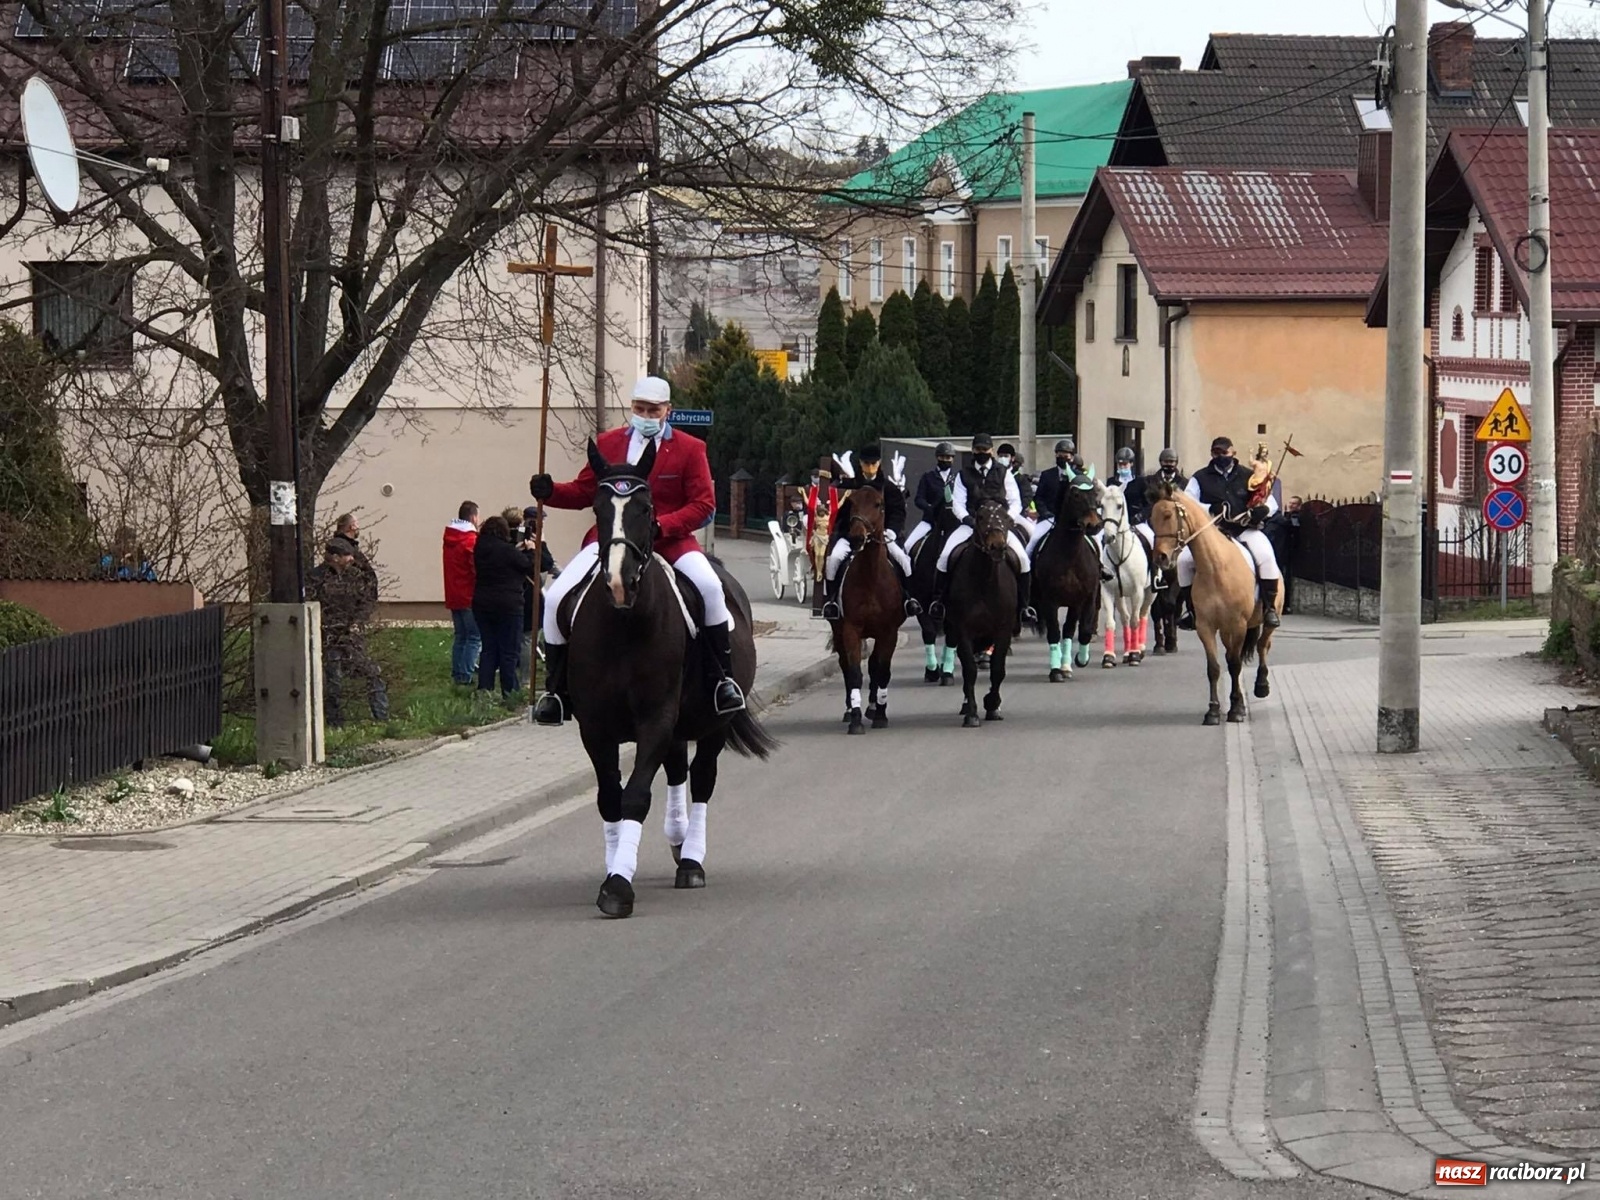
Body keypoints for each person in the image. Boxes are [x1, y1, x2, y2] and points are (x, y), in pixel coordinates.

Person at [529, 375, 745, 725]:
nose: (645, 415)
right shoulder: (608, 444)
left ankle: (722, 679)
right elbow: (585, 492)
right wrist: (550, 491)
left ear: (667, 411)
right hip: (613, 542)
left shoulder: (691, 449)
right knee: (554, 599)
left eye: (653, 410)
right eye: (639, 408)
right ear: (632, 407)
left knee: (710, 589)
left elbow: (704, 503)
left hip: (670, 540)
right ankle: (556, 691)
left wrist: (664, 525)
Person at [927, 433, 1037, 626]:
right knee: (945, 557)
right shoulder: (963, 475)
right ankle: (939, 602)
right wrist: (967, 519)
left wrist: (1007, 520)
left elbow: (1015, 501)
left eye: (985, 450)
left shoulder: (1004, 472)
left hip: (998, 527)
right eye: (978, 450)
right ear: (973, 451)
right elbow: (957, 503)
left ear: (991, 451)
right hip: (972, 525)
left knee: (1023, 559)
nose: (981, 453)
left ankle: (1024, 607)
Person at [1176, 436, 1282, 630]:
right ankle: (1191, 610)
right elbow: (1188, 502)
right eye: (1216, 453)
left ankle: (1269, 609)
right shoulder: (1199, 478)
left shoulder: (1249, 475)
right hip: (1214, 532)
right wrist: (1210, 509)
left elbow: (1270, 501)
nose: (1221, 456)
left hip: (1244, 530)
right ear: (1211, 454)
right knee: (1183, 561)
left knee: (1266, 557)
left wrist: (1263, 510)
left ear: (1233, 453)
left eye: (1224, 453)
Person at [821, 444, 919, 620]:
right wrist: (846, 532)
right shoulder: (850, 486)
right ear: (860, 463)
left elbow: (898, 511)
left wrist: (892, 531)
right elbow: (841, 514)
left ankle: (909, 599)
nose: (870, 467)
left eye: (874, 463)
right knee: (834, 559)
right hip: (851, 536)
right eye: (866, 463)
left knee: (904, 560)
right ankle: (832, 601)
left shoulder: (889, 488)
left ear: (879, 463)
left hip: (882, 536)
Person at [309, 537, 389, 727]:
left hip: (351, 638)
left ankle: (382, 718)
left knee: (372, 673)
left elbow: (366, 600)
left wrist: (357, 622)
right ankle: (335, 724)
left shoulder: (354, 576)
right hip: (329, 638)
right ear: (335, 557)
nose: (352, 559)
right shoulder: (315, 577)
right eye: (347, 556)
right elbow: (312, 607)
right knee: (333, 682)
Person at [472, 515, 534, 697]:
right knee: (509, 650)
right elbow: (527, 565)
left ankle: (485, 690)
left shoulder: (479, 548)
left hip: (482, 602)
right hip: (508, 604)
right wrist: (530, 550)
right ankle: (510, 691)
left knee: (489, 649)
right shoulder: (508, 551)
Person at [518, 504, 559, 683]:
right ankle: (526, 678)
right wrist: (538, 545)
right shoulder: (527, 538)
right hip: (528, 590)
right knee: (528, 637)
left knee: (526, 635)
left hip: (528, 588)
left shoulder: (522, 535)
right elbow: (546, 562)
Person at [442, 501, 481, 685]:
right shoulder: (470, 540)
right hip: (469, 594)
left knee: (460, 636)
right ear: (473, 517)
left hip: (453, 593)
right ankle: (465, 675)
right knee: (474, 637)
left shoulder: (449, 538)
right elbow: (475, 568)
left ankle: (457, 672)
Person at [904, 441, 957, 557]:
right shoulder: (928, 477)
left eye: (948, 457)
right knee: (907, 545)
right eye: (943, 457)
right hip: (931, 520)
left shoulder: (957, 478)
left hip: (953, 522)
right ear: (937, 457)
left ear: (952, 459)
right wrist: (928, 507)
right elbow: (919, 499)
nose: (946, 460)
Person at [1128, 448, 1186, 528]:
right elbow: (1145, 503)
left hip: (1176, 523)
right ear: (1161, 462)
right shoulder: (1149, 481)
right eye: (1165, 462)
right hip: (1152, 521)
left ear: (1176, 463)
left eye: (1171, 462)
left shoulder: (1184, 483)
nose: (1168, 464)